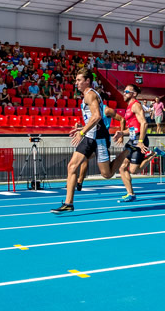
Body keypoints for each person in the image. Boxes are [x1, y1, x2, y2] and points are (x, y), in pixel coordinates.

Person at [51, 69, 130, 213]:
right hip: (89, 137)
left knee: (107, 174)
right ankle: (69, 203)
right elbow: (92, 119)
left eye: (79, 80)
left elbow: (97, 117)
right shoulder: (87, 96)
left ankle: (128, 151)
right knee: (72, 166)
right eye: (76, 80)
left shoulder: (91, 95)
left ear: (87, 81)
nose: (76, 83)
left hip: (99, 138)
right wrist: (82, 129)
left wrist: (81, 132)